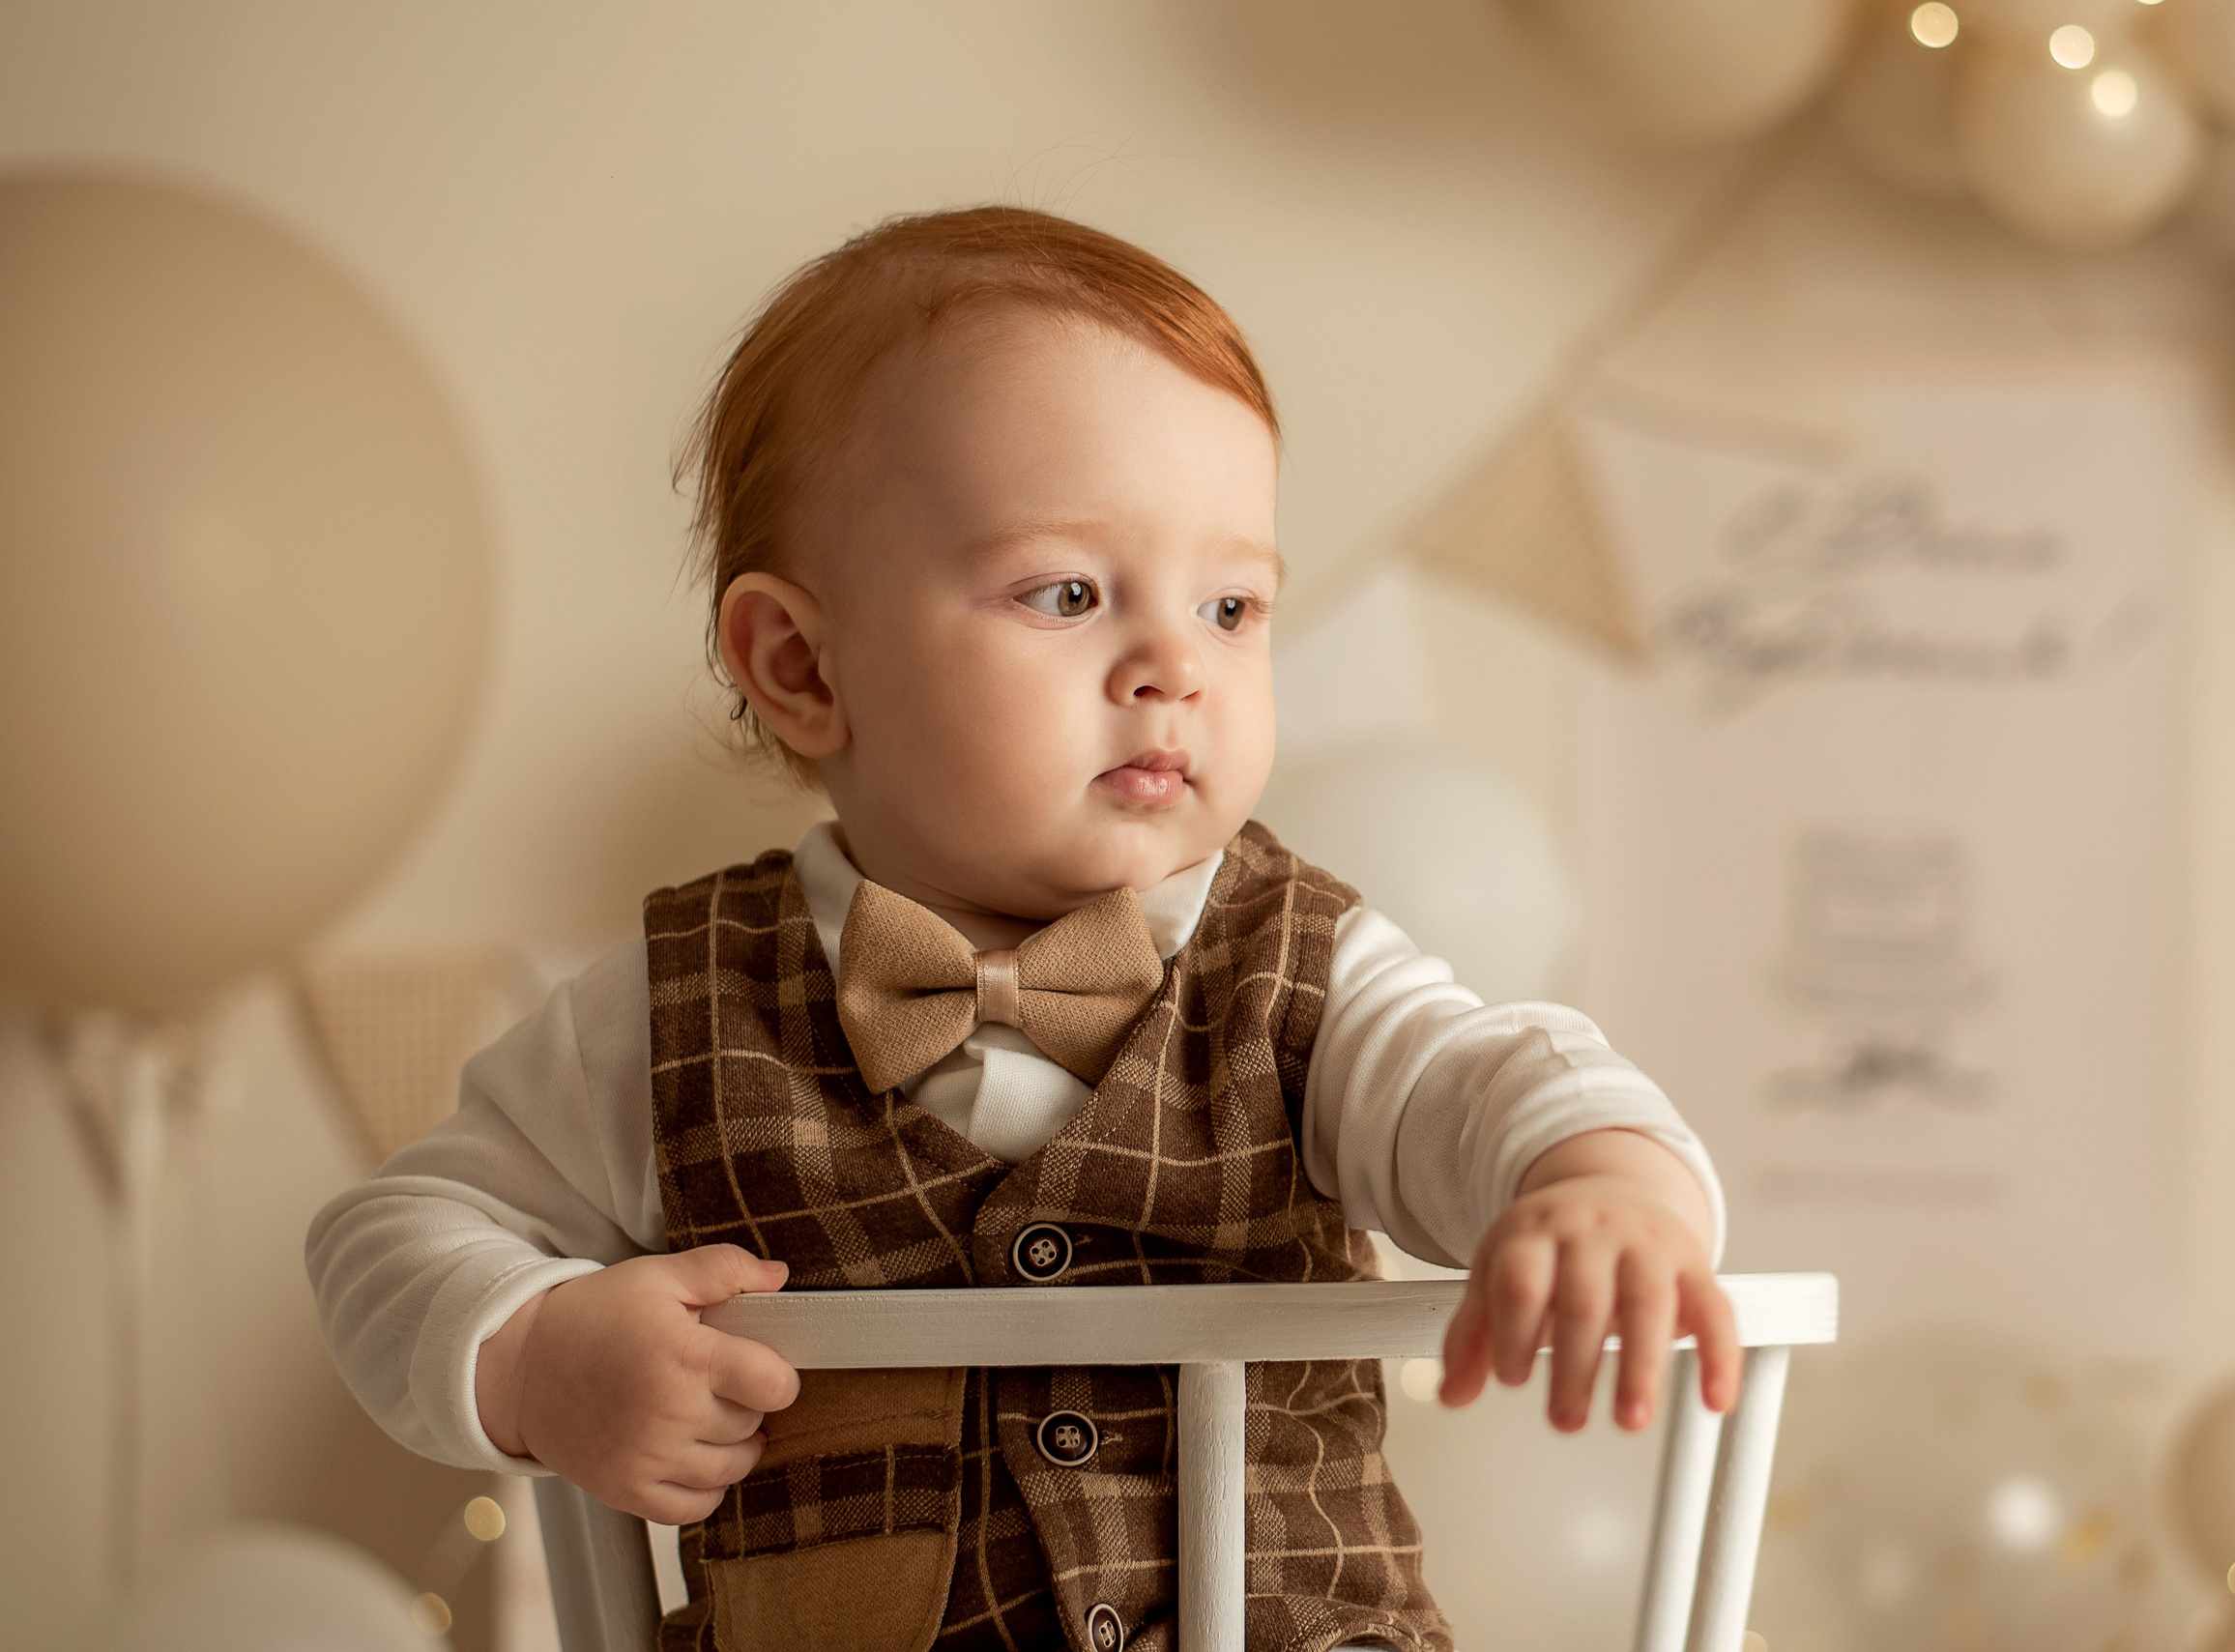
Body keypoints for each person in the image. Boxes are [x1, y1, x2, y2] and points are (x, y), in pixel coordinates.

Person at [308, 206, 1739, 1652]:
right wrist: (539, 1349)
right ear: (801, 666)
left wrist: (1596, 1176)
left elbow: (1476, 1078)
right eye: (1068, 591)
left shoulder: (1300, 975)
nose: (1175, 663)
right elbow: (391, 1236)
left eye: (1232, 603)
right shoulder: (676, 1016)